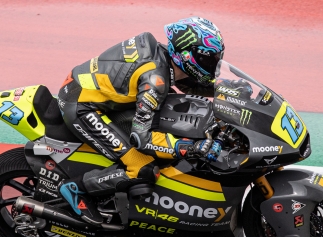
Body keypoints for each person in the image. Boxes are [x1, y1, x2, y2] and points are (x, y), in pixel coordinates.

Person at [57, 17, 225, 225]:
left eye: (217, 58)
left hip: (98, 95)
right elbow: (142, 138)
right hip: (81, 106)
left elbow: (190, 84)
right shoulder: (154, 79)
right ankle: (76, 189)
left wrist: (230, 90)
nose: (213, 64)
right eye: (208, 59)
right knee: (142, 167)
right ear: (185, 55)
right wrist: (189, 147)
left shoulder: (166, 60)